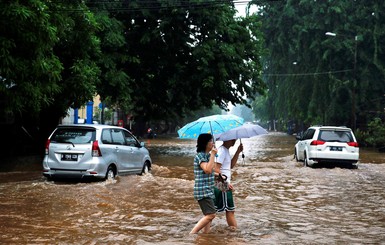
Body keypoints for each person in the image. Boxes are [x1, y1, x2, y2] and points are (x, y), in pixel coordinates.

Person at [190, 133, 218, 234]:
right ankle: (192, 234)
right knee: (211, 215)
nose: (213, 143)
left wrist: (220, 177)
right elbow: (207, 170)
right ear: (205, 143)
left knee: (208, 216)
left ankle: (205, 236)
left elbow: (210, 173)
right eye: (211, 141)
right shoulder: (200, 156)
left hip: (208, 190)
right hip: (203, 190)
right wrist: (213, 155)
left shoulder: (208, 156)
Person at [214, 138, 243, 231]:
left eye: (235, 139)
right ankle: (234, 234)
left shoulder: (225, 150)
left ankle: (206, 232)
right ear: (226, 139)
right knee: (230, 210)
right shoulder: (222, 150)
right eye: (232, 139)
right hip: (222, 184)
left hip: (222, 184)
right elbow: (216, 170)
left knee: (215, 211)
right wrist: (225, 184)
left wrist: (238, 152)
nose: (234, 140)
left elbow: (230, 166)